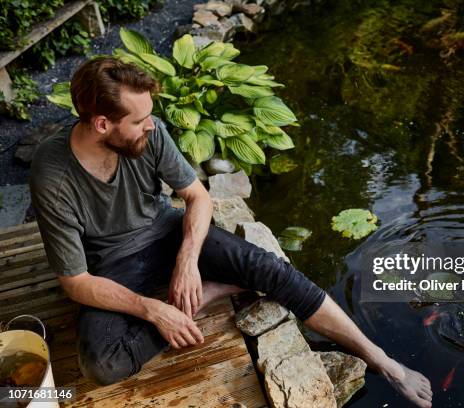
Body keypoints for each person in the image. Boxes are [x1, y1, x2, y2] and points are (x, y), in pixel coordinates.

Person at [29, 57, 432, 407]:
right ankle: (213, 292)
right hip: (111, 264)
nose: (151, 126)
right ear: (102, 124)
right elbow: (76, 281)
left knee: (272, 271)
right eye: (138, 121)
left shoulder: (150, 134)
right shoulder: (53, 175)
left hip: (166, 232)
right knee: (101, 364)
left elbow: (197, 197)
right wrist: (155, 309)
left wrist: (186, 260)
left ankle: (384, 361)